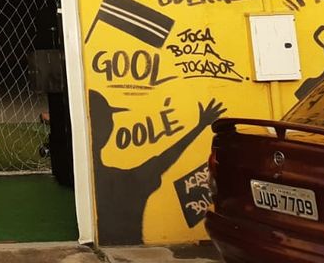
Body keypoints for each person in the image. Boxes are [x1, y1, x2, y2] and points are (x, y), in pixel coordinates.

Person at [89, 90, 225, 245]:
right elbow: (165, 159)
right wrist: (199, 126)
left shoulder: (115, 180)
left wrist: (199, 126)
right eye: (109, 118)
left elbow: (163, 160)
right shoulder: (130, 181)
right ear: (108, 127)